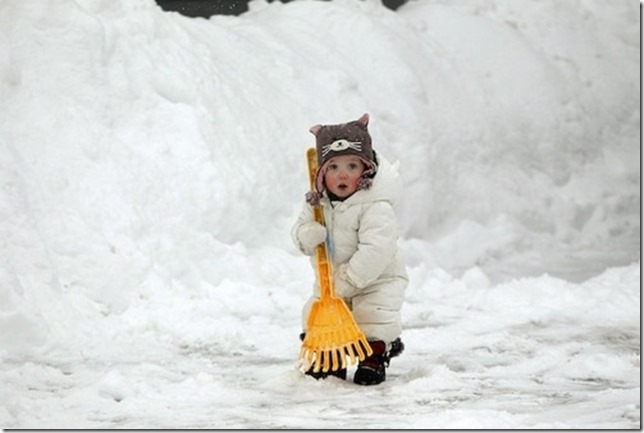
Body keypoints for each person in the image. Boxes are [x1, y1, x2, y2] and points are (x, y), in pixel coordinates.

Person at [292, 113, 408, 385]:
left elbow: (376, 250)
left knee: (373, 318)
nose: (342, 174)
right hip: (331, 280)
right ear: (321, 172)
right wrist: (308, 235)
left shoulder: (376, 206)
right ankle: (330, 354)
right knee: (315, 315)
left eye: (352, 166)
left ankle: (375, 356)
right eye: (333, 168)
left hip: (376, 280)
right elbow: (298, 232)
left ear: (366, 170)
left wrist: (349, 280)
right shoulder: (315, 203)